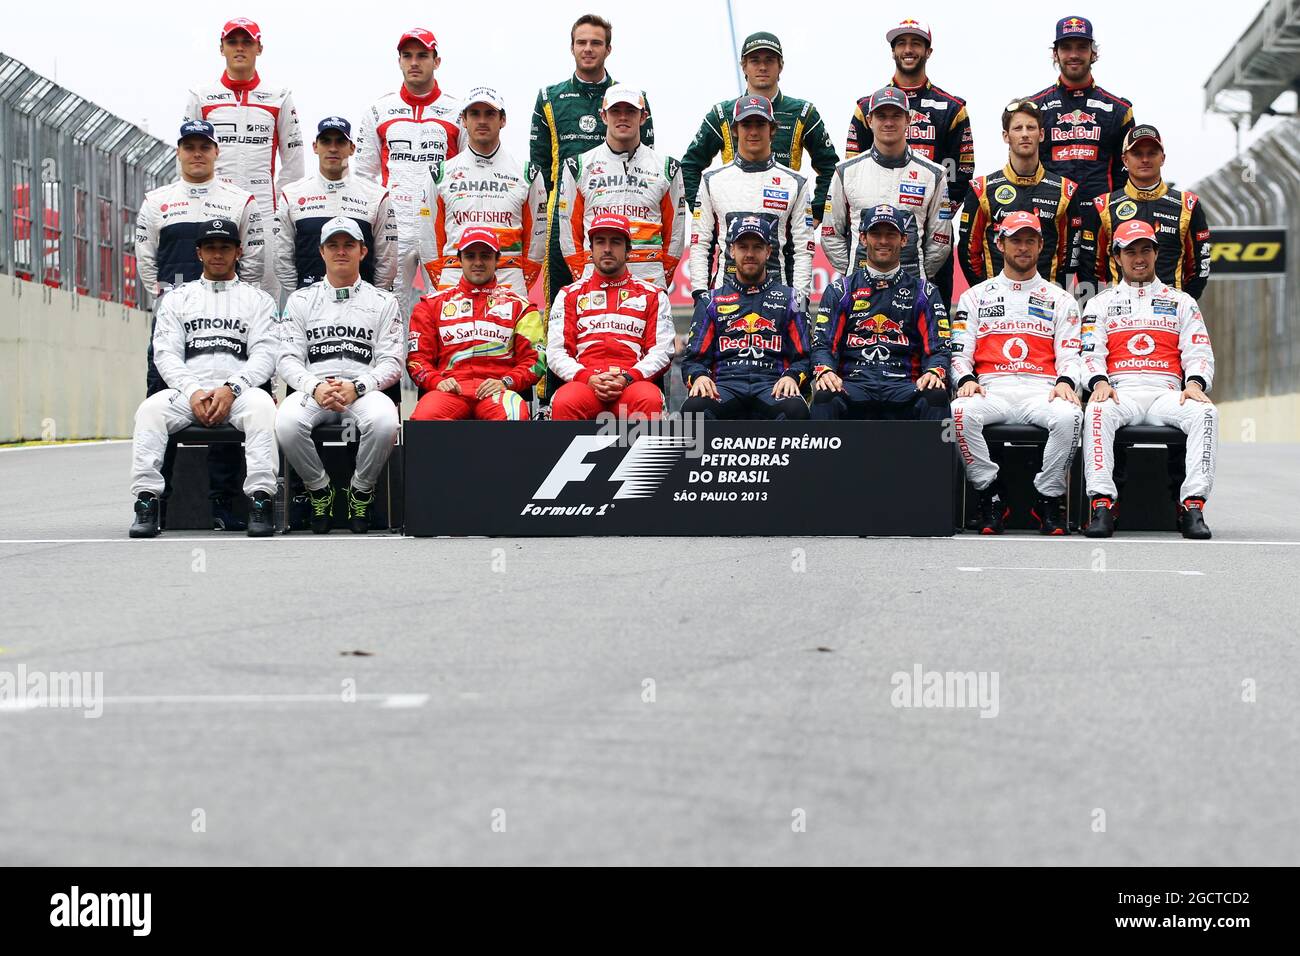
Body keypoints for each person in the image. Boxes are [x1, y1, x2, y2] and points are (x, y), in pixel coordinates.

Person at [135, 119, 265, 530]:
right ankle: (159, 503)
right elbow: (145, 261)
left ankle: (225, 505)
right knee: (160, 406)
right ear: (179, 151)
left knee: (235, 405)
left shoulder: (240, 199)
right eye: (189, 146)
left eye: (204, 147)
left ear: (215, 152)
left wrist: (241, 302)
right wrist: (169, 297)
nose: (196, 153)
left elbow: (257, 261)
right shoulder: (157, 200)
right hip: (177, 313)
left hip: (233, 313)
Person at [128, 219, 278, 539]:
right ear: (199, 253)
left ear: (239, 252)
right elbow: (165, 354)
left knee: (264, 409)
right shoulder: (177, 298)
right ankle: (146, 501)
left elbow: (265, 356)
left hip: (239, 392)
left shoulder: (258, 300)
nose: (218, 254)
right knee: (150, 411)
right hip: (188, 392)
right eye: (210, 248)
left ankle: (261, 500)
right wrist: (194, 391)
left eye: (225, 248)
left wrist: (231, 388)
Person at [1080, 220, 1216, 539]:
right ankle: (1102, 505)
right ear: (1117, 257)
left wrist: (1194, 384)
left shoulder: (1182, 302)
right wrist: (1099, 383)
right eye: (1130, 252)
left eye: (1145, 250)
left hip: (1166, 392)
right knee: (1096, 411)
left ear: (1156, 253)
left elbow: (1199, 350)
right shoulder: (1099, 304)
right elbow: (1089, 351)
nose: (1139, 258)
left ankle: (1192, 506)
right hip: (1119, 391)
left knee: (1207, 413)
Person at [950, 211, 1084, 535]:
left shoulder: (1061, 298)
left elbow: (1072, 355)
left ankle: (1048, 498)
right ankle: (991, 494)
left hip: (1042, 390)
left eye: (1029, 241)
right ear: (1000, 244)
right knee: (958, 412)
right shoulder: (974, 296)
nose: (1022, 248)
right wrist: (966, 380)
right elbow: (958, 354)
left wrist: (1066, 382)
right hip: (991, 389)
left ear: (1041, 246)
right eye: (1015, 241)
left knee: (1070, 417)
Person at [275, 218, 404, 534]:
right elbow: (287, 359)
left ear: (363, 251)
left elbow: (392, 362)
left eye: (349, 245)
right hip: (315, 389)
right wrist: (315, 386)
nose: (341, 251)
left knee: (386, 422)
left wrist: (358, 386)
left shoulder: (384, 301)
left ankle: (360, 491)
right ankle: (320, 489)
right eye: (333, 245)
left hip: (362, 389)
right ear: (321, 252)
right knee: (286, 424)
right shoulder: (301, 300)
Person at [845, 19, 973, 305]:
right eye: (901, 43)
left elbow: (962, 170)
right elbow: (851, 172)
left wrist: (934, 220)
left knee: (933, 321)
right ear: (892, 51)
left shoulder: (952, 108)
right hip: (874, 237)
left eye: (916, 43)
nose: (908, 49)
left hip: (929, 236)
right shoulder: (867, 107)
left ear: (928, 51)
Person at [531, 13, 655, 304]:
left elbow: (647, 158)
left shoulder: (632, 98)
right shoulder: (549, 97)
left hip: (625, 208)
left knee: (630, 293)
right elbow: (539, 166)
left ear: (608, 49)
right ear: (571, 47)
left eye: (596, 43)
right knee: (563, 297)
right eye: (581, 42)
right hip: (566, 214)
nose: (588, 49)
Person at [183, 17, 303, 301]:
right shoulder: (201, 95)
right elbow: (188, 157)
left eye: (247, 42)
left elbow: (294, 161)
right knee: (210, 284)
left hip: (264, 205)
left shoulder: (279, 96)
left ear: (259, 48)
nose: (240, 48)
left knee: (266, 292)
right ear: (221, 48)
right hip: (213, 203)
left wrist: (282, 210)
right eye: (233, 42)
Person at [355, 27, 466, 318]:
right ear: (399, 61)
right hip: (396, 225)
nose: (414, 62)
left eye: (422, 56)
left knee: (444, 302)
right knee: (392, 306)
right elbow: (364, 176)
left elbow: (467, 171)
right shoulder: (379, 110)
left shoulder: (457, 112)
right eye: (407, 56)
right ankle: (394, 364)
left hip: (440, 227)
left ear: (436, 61)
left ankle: (440, 365)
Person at [681, 31, 838, 228]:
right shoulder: (722, 113)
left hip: (785, 225)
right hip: (734, 228)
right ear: (743, 66)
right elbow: (689, 166)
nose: (762, 67)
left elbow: (830, 167)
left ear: (781, 66)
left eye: (770, 60)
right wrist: (703, 212)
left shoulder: (803, 112)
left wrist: (817, 210)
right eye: (755, 60)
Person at [811, 205, 949, 420]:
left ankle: (937, 455)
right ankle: (823, 456)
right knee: (824, 396)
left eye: (891, 234)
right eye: (876, 234)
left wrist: (933, 371)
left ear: (903, 240)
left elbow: (939, 348)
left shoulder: (925, 292)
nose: (883, 241)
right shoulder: (840, 290)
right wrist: (826, 370)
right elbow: (823, 344)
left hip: (905, 385)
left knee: (937, 395)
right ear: (864, 238)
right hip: (853, 385)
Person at [418, 87, 547, 297]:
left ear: (503, 120)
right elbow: (428, 239)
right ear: (464, 120)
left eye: (490, 114)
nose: (482, 121)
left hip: (508, 277)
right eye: (475, 114)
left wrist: (520, 279)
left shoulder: (528, 173)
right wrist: (444, 277)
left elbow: (537, 241)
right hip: (455, 276)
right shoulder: (439, 173)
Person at [688, 94, 815, 307]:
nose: (754, 132)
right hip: (724, 299)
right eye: (746, 124)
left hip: (779, 302)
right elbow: (700, 243)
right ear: (735, 130)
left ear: (772, 129)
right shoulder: (712, 180)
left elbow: (803, 248)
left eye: (761, 124)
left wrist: (800, 303)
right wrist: (700, 295)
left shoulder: (795, 182)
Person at [556, 85, 685, 291]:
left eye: (631, 111)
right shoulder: (578, 167)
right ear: (603, 116)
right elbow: (568, 235)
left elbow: (675, 236)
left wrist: (660, 276)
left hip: (649, 282)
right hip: (596, 282)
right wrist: (584, 279)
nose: (623, 117)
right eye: (616, 111)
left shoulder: (667, 168)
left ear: (643, 117)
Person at [680, 216, 810, 420]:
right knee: (694, 408)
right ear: (732, 250)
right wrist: (699, 376)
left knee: (795, 409)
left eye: (757, 247)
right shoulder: (709, 300)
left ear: (768, 251)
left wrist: (793, 376)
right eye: (743, 246)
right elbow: (693, 360)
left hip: (773, 386)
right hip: (724, 386)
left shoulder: (795, 298)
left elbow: (805, 357)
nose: (749, 254)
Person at [408, 228, 544, 421]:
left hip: (498, 391)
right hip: (450, 391)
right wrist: (437, 381)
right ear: (459, 259)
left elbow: (535, 361)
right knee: (424, 418)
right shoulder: (431, 305)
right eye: (470, 256)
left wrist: (506, 382)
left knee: (514, 416)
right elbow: (417, 360)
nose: (478, 262)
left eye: (486, 256)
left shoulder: (520, 307)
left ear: (497, 260)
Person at [547, 214, 674, 419]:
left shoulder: (653, 295)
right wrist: (587, 378)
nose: (607, 248)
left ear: (628, 251)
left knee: (650, 400)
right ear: (591, 249)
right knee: (564, 402)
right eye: (600, 242)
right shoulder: (569, 294)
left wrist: (627, 377)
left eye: (615, 242)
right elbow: (556, 352)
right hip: (585, 384)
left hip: (632, 383)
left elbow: (662, 351)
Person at [823, 87, 951, 284]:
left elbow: (940, 240)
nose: (889, 122)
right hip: (859, 285)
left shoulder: (933, 174)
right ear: (869, 121)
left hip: (912, 284)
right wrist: (853, 271)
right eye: (881, 116)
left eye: (896, 115)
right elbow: (830, 234)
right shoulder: (845, 171)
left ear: (909, 119)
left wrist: (916, 274)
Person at [1077, 124, 1212, 299]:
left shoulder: (1188, 205)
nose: (1145, 159)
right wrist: (1101, 310)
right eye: (1137, 153)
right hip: (1121, 317)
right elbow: (1090, 270)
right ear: (1125, 160)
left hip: (1169, 316)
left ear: (1162, 158)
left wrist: (1183, 306)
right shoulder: (1103, 206)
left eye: (1152, 153)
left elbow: (1200, 269)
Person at [958, 99, 1078, 288]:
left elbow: (1069, 255)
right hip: (995, 302)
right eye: (1017, 128)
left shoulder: (1065, 191)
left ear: (1041, 134)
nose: (1024, 134)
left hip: (1047, 301)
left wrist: (1055, 291)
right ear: (1006, 136)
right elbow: (968, 253)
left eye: (1030, 127)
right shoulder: (981, 189)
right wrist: (985, 291)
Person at [275, 116, 398, 295]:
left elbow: (387, 259)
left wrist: (374, 299)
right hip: (308, 304)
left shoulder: (376, 195)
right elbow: (282, 257)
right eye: (325, 141)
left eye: (341, 141)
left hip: (362, 303)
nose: (333, 148)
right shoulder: (292, 194)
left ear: (352, 148)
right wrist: (298, 297)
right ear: (315, 147)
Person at [1027, 16, 1135, 205]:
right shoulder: (1033, 108)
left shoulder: (1119, 110)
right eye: (1066, 47)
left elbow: (1128, 172)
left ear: (1093, 53)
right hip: (1049, 218)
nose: (1074, 54)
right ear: (1055, 54)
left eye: (1081, 47)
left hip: (1102, 219)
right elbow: (1023, 166)